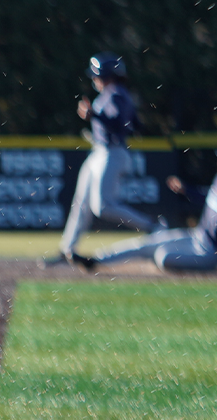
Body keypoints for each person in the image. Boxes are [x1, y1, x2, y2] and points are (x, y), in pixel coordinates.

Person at [46, 53, 160, 268]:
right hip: (102, 151)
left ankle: (151, 226)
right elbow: (136, 125)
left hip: (111, 152)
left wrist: (94, 116)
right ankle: (67, 250)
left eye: (97, 75)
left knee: (103, 206)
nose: (94, 80)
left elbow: (119, 124)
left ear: (106, 75)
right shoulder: (117, 94)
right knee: (81, 204)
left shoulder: (116, 94)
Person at [75, 145, 217, 273]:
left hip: (210, 254)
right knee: (147, 243)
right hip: (195, 236)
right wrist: (186, 190)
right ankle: (96, 260)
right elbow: (209, 196)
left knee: (163, 257)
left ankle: (207, 273)